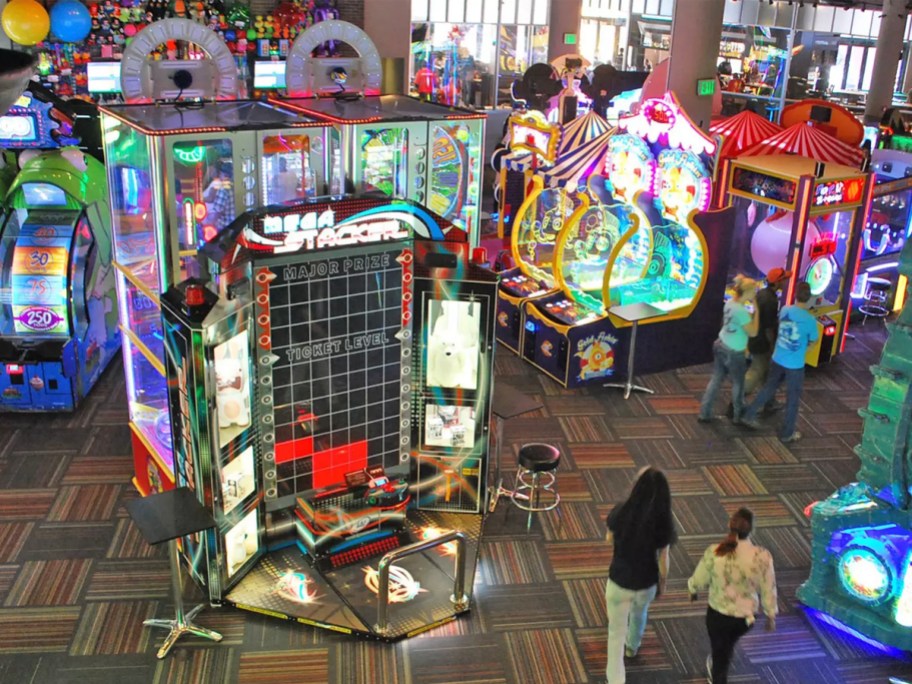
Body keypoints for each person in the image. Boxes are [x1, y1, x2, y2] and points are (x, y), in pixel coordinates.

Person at [688, 508, 777, 684]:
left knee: (720, 652)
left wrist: (692, 589)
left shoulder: (715, 552)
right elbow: (769, 587)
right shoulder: (762, 556)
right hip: (745, 619)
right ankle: (721, 658)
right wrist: (770, 615)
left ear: (730, 525)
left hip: (717, 615)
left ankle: (718, 675)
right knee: (727, 644)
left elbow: (700, 578)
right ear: (752, 529)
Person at [605, 467, 677, 684]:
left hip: (619, 581)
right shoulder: (664, 522)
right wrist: (662, 584)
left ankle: (616, 679)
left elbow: (609, 538)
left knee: (615, 632)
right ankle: (633, 647)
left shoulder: (621, 511)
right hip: (646, 583)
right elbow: (664, 561)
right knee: (639, 613)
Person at [740, 281, 819, 443]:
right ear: (810, 298)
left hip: (777, 358)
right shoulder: (810, 321)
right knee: (793, 399)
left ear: (795, 295)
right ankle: (787, 433)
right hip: (795, 365)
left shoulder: (785, 310)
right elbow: (813, 341)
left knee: (769, 387)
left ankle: (749, 414)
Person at [698, 275, 759, 424]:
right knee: (739, 383)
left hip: (720, 344)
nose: (755, 294)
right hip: (734, 351)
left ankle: (704, 412)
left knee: (716, 379)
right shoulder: (742, 312)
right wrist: (757, 312)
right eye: (754, 291)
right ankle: (738, 416)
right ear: (748, 292)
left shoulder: (730, 303)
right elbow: (753, 332)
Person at [745, 267, 792, 405]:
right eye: (784, 280)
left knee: (765, 372)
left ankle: (768, 401)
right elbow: (768, 328)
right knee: (756, 371)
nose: (785, 283)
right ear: (777, 282)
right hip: (762, 342)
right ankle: (737, 400)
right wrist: (772, 346)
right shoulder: (771, 300)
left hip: (754, 338)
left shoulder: (762, 294)